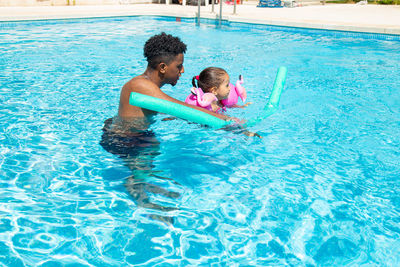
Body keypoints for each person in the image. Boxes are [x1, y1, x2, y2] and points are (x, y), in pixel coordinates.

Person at [185, 67, 250, 113]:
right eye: (227, 85)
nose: (230, 88)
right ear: (214, 90)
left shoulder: (221, 101)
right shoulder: (209, 107)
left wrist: (242, 106)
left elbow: (230, 106)